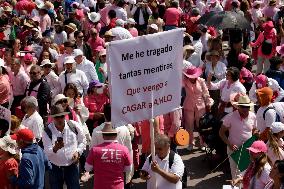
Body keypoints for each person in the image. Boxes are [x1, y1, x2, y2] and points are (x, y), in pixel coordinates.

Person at [42, 105, 86, 189]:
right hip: (55, 168)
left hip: (72, 166)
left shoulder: (74, 125)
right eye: (56, 117)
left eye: (61, 116)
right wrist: (55, 148)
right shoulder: (47, 131)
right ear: (53, 118)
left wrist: (78, 152)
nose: (59, 119)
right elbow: (47, 152)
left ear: (65, 116)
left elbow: (83, 141)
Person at [219, 95, 257, 180]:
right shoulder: (230, 117)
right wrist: (230, 144)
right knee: (236, 176)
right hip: (234, 151)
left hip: (248, 151)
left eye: (247, 107)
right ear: (238, 107)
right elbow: (221, 133)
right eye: (243, 107)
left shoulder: (253, 116)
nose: (245, 109)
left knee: (247, 175)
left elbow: (254, 130)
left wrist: (255, 134)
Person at [85, 122, 132, 189]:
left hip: (100, 186)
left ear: (103, 136)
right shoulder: (124, 149)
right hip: (118, 186)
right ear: (116, 135)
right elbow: (128, 168)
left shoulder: (94, 150)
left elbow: (87, 168)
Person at [183, 66, 213, 151]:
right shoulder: (184, 81)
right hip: (188, 105)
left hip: (200, 106)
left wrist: (208, 103)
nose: (192, 78)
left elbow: (206, 93)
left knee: (201, 125)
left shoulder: (201, 81)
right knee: (189, 126)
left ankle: (203, 143)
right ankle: (190, 143)